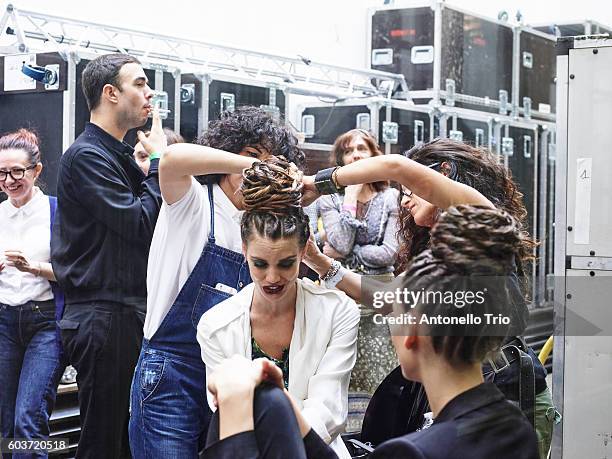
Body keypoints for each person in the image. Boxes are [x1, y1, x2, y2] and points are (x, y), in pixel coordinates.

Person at [203, 205, 540, 459]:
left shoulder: (409, 453)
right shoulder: (514, 425)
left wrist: (237, 415)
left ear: (411, 335)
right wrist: (282, 406)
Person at [303, 138, 553, 456]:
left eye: (409, 189)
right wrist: (320, 262)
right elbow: (392, 299)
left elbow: (396, 166)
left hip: (509, 388)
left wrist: (318, 182)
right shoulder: (442, 250)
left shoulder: (485, 241)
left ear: (442, 175)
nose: (405, 201)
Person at [128, 107, 305, 458]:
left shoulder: (258, 229)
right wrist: (253, 166)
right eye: (251, 156)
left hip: (231, 382)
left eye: (272, 163)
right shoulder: (190, 201)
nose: (258, 169)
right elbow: (173, 157)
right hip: (171, 376)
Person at [197, 157, 360, 459]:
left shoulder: (339, 312)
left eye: (286, 264)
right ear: (244, 250)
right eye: (259, 264)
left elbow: (327, 408)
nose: (272, 278)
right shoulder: (214, 325)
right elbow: (225, 408)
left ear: (303, 251)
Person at [51, 53, 166, 458]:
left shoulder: (114, 154)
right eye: (140, 83)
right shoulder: (87, 156)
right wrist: (156, 165)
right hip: (104, 317)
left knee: (120, 440)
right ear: (110, 93)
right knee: (103, 443)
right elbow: (140, 222)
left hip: (121, 315)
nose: (149, 92)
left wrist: (144, 167)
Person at [0, 129, 65, 458]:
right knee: (6, 423)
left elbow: (77, 274)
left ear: (36, 171)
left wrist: (35, 268)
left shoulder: (57, 212)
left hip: (45, 323)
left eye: (16, 172)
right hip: (4, 322)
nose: (9, 180)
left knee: (29, 418)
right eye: (1, 173)